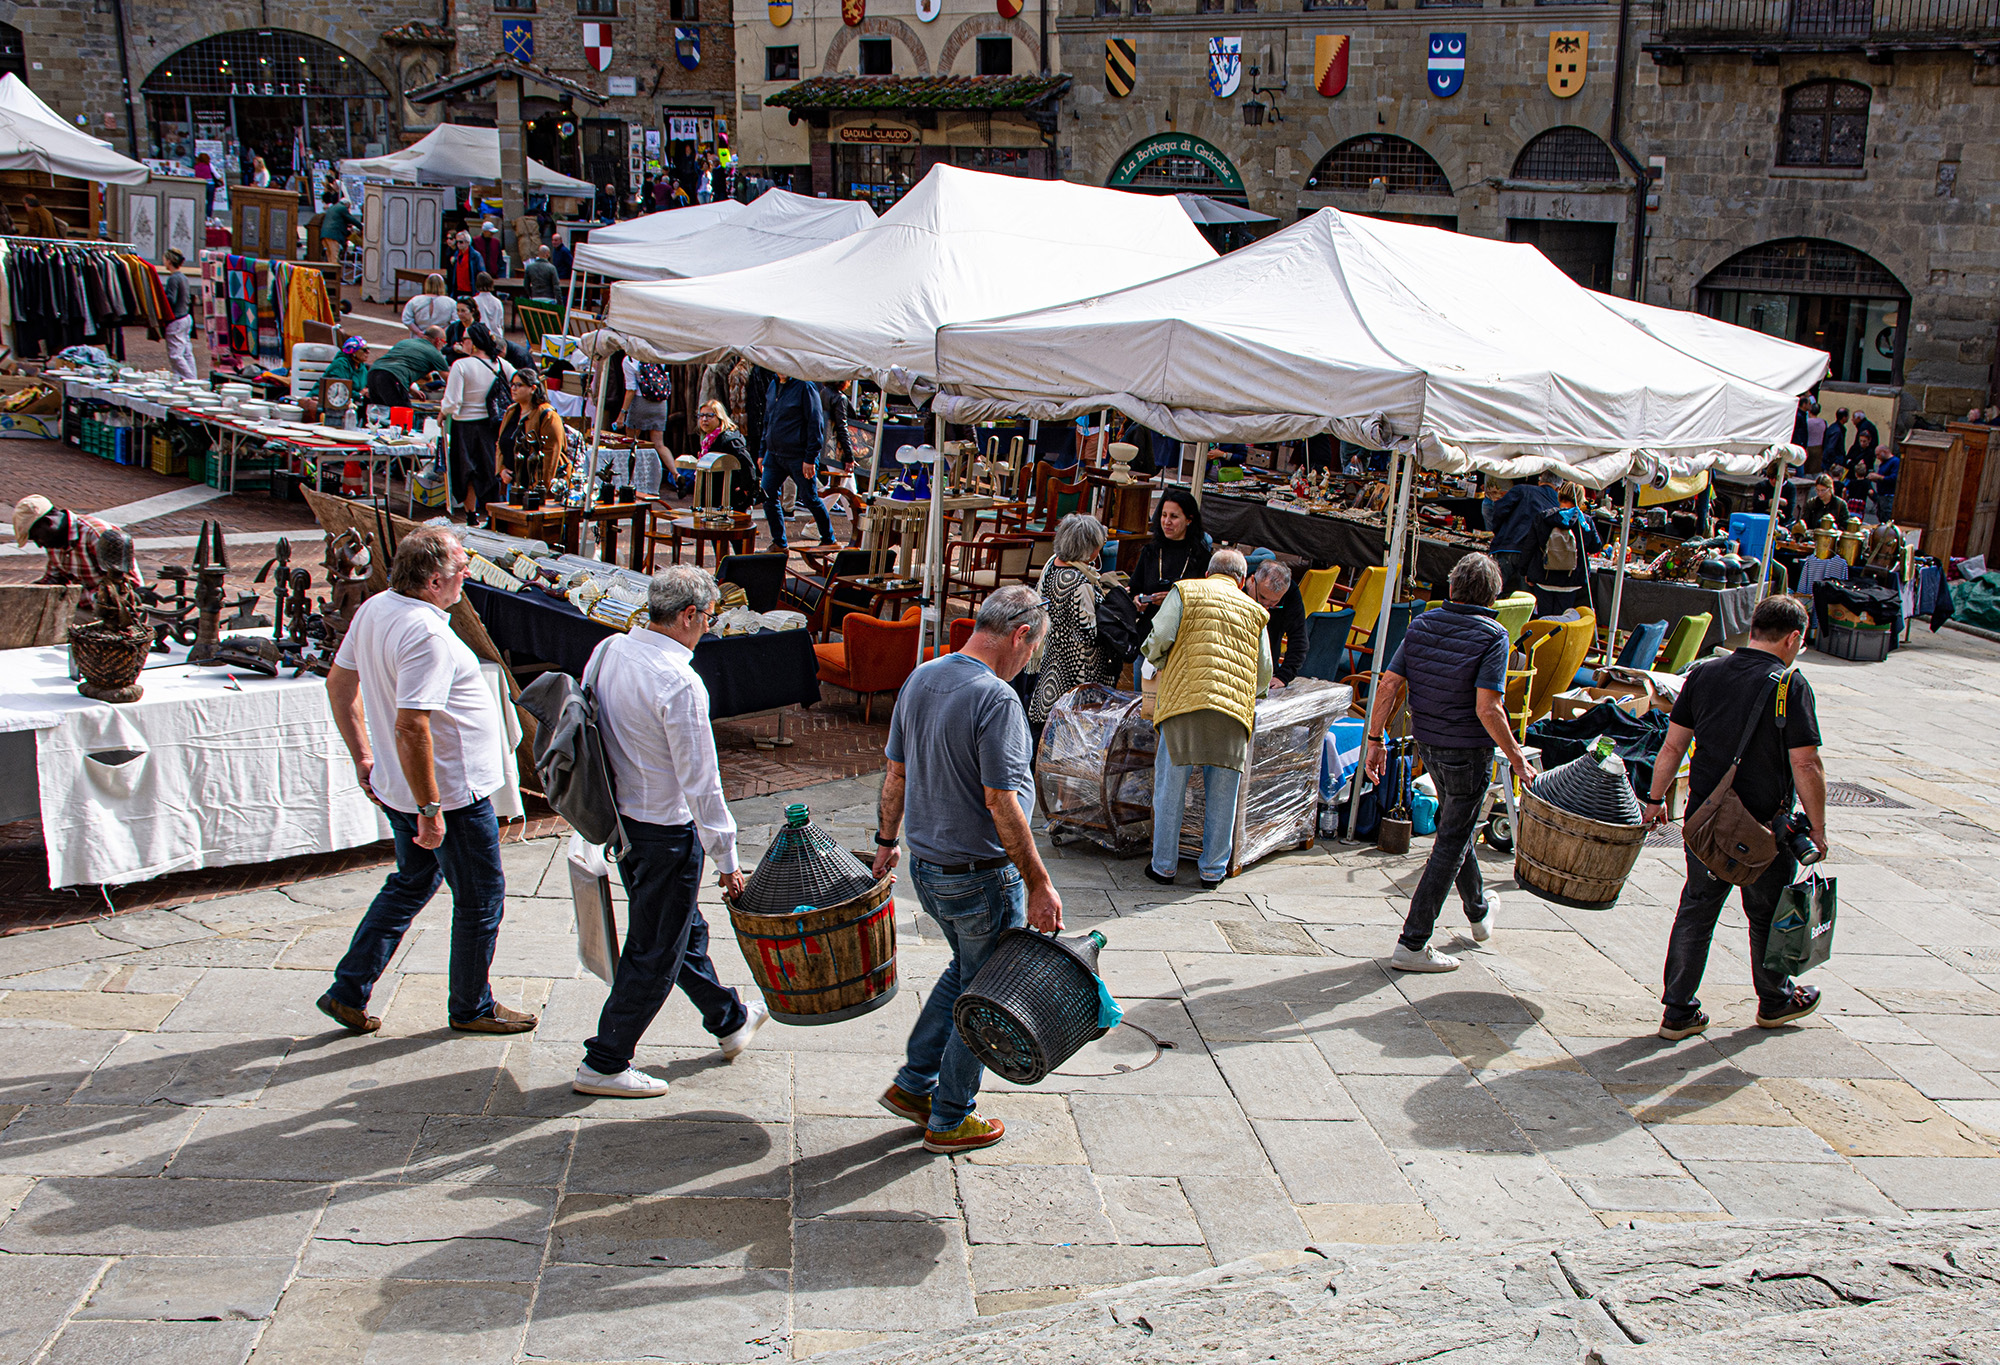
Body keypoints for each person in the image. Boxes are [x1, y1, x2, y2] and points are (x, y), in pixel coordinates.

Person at [317, 529, 538, 1037]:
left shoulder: (376, 607)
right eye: (462, 568)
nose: (467, 575)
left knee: (412, 881)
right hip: (448, 797)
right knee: (482, 897)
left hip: (404, 786)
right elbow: (411, 724)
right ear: (435, 579)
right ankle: (471, 1006)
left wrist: (363, 757)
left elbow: (339, 683)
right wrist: (431, 808)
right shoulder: (427, 634)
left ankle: (349, 989)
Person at [873, 584, 1063, 1153]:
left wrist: (885, 841)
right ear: (1020, 635)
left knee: (966, 972)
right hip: (979, 875)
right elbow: (1001, 802)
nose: (1030, 661)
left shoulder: (923, 676)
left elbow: (895, 774)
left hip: (929, 869)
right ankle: (951, 1115)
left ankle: (914, 1086)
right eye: (1033, 649)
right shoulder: (996, 699)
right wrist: (1038, 882)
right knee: (987, 992)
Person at [573, 566, 768, 1096]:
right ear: (687, 615)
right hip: (665, 831)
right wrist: (728, 861)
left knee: (681, 931)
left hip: (627, 823)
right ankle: (606, 1060)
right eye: (708, 618)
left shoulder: (609, 651)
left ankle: (727, 1018)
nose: (708, 627)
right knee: (655, 948)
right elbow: (702, 785)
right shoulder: (680, 682)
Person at [1643, 594, 1825, 1040]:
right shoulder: (1790, 686)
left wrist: (1654, 798)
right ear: (1794, 638)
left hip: (1705, 820)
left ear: (1754, 628)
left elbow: (1672, 746)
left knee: (1696, 910)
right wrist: (1818, 828)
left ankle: (1678, 1011)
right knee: (1766, 913)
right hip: (1764, 828)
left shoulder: (1704, 673)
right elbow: (1805, 764)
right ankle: (1776, 1000)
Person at [1363, 554, 1537, 972]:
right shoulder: (1494, 634)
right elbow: (1488, 707)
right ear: (1493, 594)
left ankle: (1478, 912)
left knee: (1455, 826)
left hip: (1430, 742)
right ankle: (1413, 941)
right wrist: (1516, 757)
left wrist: (1375, 739)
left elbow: (1389, 684)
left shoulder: (1422, 622)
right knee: (1452, 841)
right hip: (1467, 750)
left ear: (1452, 586)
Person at [1142, 549, 1272, 890]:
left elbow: (1160, 637)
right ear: (1243, 580)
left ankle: (1163, 867)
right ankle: (1212, 871)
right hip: (1232, 712)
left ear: (1208, 572)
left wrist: (1158, 660)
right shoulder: (1256, 612)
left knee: (1170, 788)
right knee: (1223, 794)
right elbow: (1263, 674)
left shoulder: (1185, 591)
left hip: (1183, 705)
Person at [1030, 513, 1118, 733]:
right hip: (1079, 666)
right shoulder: (1080, 582)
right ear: (1087, 547)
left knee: (1048, 714)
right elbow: (1089, 632)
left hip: (1053, 655)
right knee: (1073, 727)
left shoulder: (1052, 566)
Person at [13, 497, 143, 613]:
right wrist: (28, 593)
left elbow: (127, 590)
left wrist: (73, 597)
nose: (39, 544)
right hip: (83, 606)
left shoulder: (97, 535)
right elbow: (54, 579)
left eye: (36, 537)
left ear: (48, 522)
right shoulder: (55, 540)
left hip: (114, 614)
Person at [440, 322, 513, 521]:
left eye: (465, 338)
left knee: (466, 472)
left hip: (464, 426)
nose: (461, 342)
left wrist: (442, 412)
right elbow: (516, 380)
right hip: (492, 425)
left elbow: (452, 402)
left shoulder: (461, 365)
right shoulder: (500, 364)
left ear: (473, 343)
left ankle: (471, 516)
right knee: (490, 471)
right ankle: (492, 516)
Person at [760, 373, 834, 550]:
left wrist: (810, 457)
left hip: (798, 454)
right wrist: (762, 450)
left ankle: (828, 538)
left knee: (809, 498)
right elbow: (768, 420)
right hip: (774, 453)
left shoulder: (805, 386)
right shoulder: (773, 385)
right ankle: (779, 542)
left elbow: (816, 422)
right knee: (767, 494)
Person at [1524, 483, 1602, 617]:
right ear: (1580, 499)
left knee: (1544, 619)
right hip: (1571, 580)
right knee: (1562, 620)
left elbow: (1529, 546)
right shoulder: (1584, 521)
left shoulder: (1543, 517)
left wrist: (1525, 571)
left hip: (1544, 577)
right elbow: (1596, 546)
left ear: (1559, 495)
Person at [1130, 488, 1211, 611]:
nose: (1167, 522)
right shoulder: (1150, 551)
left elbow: (1204, 600)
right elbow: (1134, 588)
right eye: (1164, 515)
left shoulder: (1201, 557)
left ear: (1189, 520)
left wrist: (1174, 600)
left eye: (1174, 517)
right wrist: (1137, 599)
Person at [1487, 472, 1561, 595]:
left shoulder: (1522, 489)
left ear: (1540, 481)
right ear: (1558, 488)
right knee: (1524, 599)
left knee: (1491, 593)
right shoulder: (1556, 504)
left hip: (1507, 546)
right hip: (1531, 555)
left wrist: (1500, 531)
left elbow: (1499, 510)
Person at [497, 369, 570, 491]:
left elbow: (550, 456)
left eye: (519, 385)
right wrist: (502, 469)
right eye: (512, 384)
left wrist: (537, 489)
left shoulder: (548, 415)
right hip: (514, 483)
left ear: (533, 388)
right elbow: (500, 442)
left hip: (537, 487)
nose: (513, 389)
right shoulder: (511, 412)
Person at [617, 353, 677, 498]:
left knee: (631, 444)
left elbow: (631, 389)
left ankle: (630, 481)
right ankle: (676, 474)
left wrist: (622, 413)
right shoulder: (656, 354)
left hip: (640, 402)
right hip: (660, 403)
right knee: (659, 444)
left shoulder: (629, 360)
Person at [1246, 560, 1307, 688]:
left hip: (1266, 670)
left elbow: (1299, 638)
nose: (1266, 607)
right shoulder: (1236, 588)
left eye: (1274, 603)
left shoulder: (1291, 594)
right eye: (1261, 598)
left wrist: (1284, 676)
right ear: (1252, 581)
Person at [368, 328, 451, 408]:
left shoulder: (405, 342)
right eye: (444, 343)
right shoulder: (435, 353)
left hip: (373, 372)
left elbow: (401, 364)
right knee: (403, 414)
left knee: (380, 412)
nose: (443, 346)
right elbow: (450, 380)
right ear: (437, 340)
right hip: (391, 377)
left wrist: (410, 389)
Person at [695, 399, 753, 509]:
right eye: (701, 416)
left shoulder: (729, 440)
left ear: (720, 417)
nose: (704, 419)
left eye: (709, 415)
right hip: (713, 495)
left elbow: (747, 464)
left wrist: (745, 490)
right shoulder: (708, 440)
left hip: (728, 498)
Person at [159, 247, 198, 382]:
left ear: (169, 261)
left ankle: (190, 380)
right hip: (186, 317)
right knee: (186, 352)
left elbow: (171, 299)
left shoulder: (173, 279)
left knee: (176, 355)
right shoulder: (183, 277)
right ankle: (190, 379)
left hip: (177, 319)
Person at [315, 335, 371, 413]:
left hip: (350, 404)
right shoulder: (340, 364)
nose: (368, 352)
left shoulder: (361, 366)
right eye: (364, 350)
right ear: (354, 352)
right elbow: (340, 389)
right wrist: (359, 394)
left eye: (368, 349)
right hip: (328, 403)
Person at [317, 190, 359, 265]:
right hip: (333, 235)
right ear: (346, 205)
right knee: (334, 257)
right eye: (348, 208)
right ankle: (334, 275)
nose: (348, 210)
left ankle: (330, 274)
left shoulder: (333, 207)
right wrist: (361, 227)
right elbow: (351, 219)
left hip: (324, 234)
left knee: (330, 256)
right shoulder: (342, 208)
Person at [1868, 446, 1900, 523]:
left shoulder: (1895, 462)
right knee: (1881, 515)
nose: (1877, 457)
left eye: (1878, 455)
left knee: (1887, 516)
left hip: (1889, 495)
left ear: (1884, 452)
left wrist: (1878, 477)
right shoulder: (1884, 462)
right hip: (1882, 495)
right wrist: (1875, 479)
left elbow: (1893, 478)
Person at [472, 272, 506, 338]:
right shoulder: (497, 302)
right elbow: (501, 322)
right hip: (497, 336)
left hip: (481, 336)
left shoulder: (474, 301)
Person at [1822, 407, 1849, 475]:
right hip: (1833, 462)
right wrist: (1836, 461)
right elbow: (1830, 448)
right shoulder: (1837, 431)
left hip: (1830, 460)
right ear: (1844, 417)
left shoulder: (1833, 428)